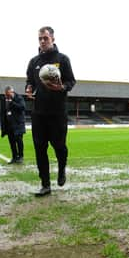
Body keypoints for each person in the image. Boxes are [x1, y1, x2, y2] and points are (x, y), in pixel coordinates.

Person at [25, 26, 76, 196]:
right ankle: (45, 184)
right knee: (40, 148)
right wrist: (28, 88)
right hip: (39, 113)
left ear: (53, 39)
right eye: (40, 38)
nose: (42, 41)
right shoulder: (34, 62)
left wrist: (62, 87)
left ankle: (62, 168)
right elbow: (29, 81)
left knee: (59, 146)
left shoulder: (62, 59)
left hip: (57, 113)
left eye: (45, 38)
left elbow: (71, 81)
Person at [0, 85, 26, 164]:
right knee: (12, 142)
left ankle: (21, 157)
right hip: (9, 125)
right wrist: (3, 126)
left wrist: (12, 102)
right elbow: (3, 112)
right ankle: (14, 157)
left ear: (12, 92)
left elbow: (22, 107)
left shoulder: (19, 98)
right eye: (6, 95)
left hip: (18, 124)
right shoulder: (4, 99)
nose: (7, 96)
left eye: (8, 95)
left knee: (19, 141)